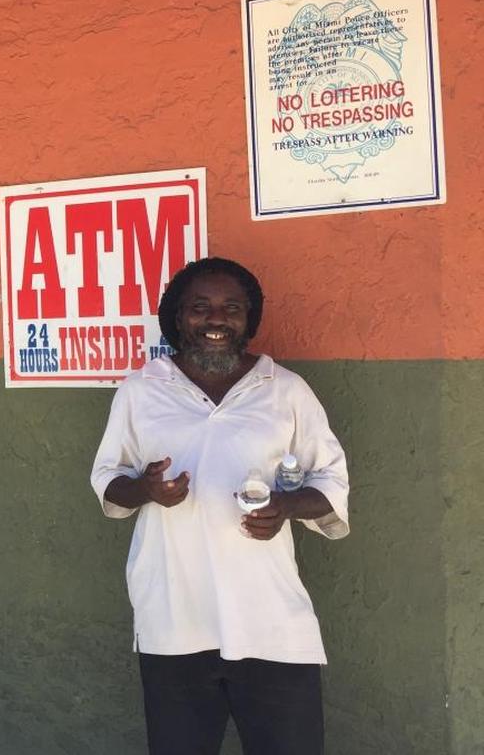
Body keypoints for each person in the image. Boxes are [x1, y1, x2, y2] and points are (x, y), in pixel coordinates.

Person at [89, 257, 349, 755]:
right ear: (177, 317)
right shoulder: (142, 391)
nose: (216, 319)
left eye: (232, 308)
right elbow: (107, 479)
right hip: (174, 619)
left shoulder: (285, 391)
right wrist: (144, 490)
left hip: (272, 623)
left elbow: (332, 479)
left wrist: (286, 507)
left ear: (248, 320)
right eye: (200, 307)